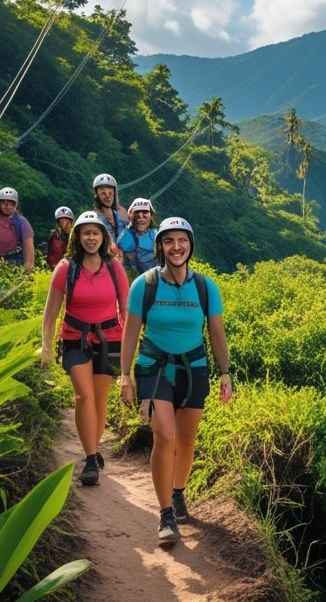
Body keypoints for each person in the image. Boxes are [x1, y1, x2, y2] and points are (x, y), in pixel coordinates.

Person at [119, 217, 232, 543]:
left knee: (186, 440)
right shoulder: (145, 285)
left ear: (190, 246)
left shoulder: (206, 287)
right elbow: (131, 333)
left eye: (182, 241)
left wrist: (225, 373)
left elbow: (216, 333)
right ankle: (166, 514)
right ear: (161, 246)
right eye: (169, 241)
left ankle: (179, 491)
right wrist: (125, 376)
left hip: (194, 368)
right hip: (154, 368)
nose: (176, 247)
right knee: (165, 437)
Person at [40, 211, 129, 486]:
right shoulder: (66, 268)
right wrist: (45, 346)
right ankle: (91, 459)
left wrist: (130, 359)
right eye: (85, 232)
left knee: (100, 399)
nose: (91, 237)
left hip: (110, 336)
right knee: (84, 397)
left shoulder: (115, 268)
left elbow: (127, 312)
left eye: (96, 232)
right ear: (77, 237)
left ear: (103, 237)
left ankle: (93, 446)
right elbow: (50, 312)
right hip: (74, 336)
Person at [117, 198, 158, 276]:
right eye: (137, 213)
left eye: (145, 213)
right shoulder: (124, 238)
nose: (141, 218)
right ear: (130, 216)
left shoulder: (158, 238)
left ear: (151, 215)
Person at [92, 173, 128, 246]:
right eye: (103, 193)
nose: (107, 196)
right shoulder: (94, 219)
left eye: (110, 192)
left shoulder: (121, 217)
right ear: (96, 194)